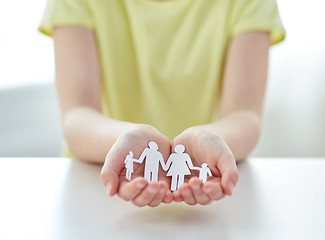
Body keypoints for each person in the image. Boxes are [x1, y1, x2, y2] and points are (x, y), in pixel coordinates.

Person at [39, 0, 285, 207]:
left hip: (211, 200)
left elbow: (244, 114)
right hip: (94, 193)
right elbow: (77, 114)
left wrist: (209, 141)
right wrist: (124, 140)